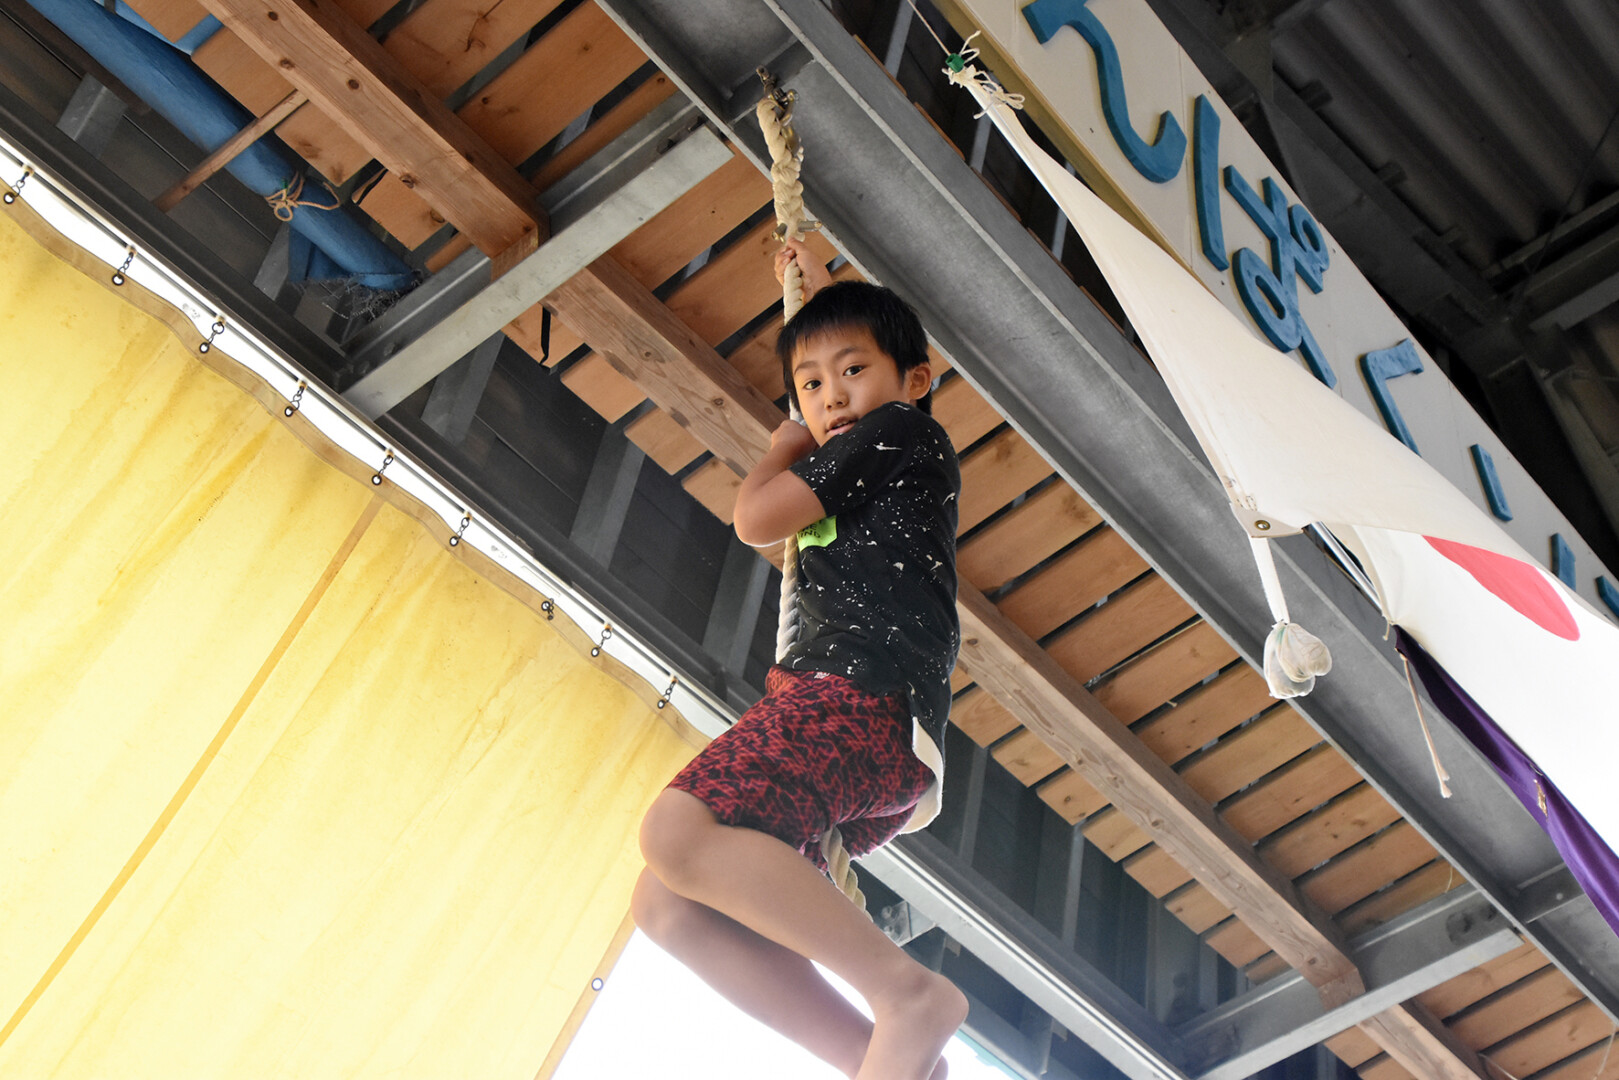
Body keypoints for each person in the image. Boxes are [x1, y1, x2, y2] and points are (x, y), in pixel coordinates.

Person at [632, 239, 967, 1080]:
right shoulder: (870, 448)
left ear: (916, 382)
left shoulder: (901, 432)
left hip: (862, 698)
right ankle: (877, 1060)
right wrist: (815, 298)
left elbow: (755, 517)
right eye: (810, 385)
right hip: (856, 732)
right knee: (668, 904)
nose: (830, 396)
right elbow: (842, 366)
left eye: (851, 372)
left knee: (677, 831)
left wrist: (787, 434)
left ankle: (905, 994)